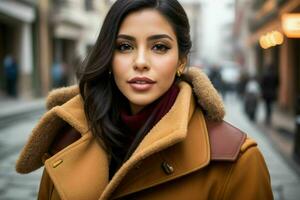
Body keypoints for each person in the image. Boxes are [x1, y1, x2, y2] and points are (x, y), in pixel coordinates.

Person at [16, 0, 273, 199]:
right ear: (108, 57)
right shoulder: (66, 139)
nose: (140, 62)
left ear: (181, 60)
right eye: (125, 47)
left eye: (159, 47)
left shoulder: (237, 160)